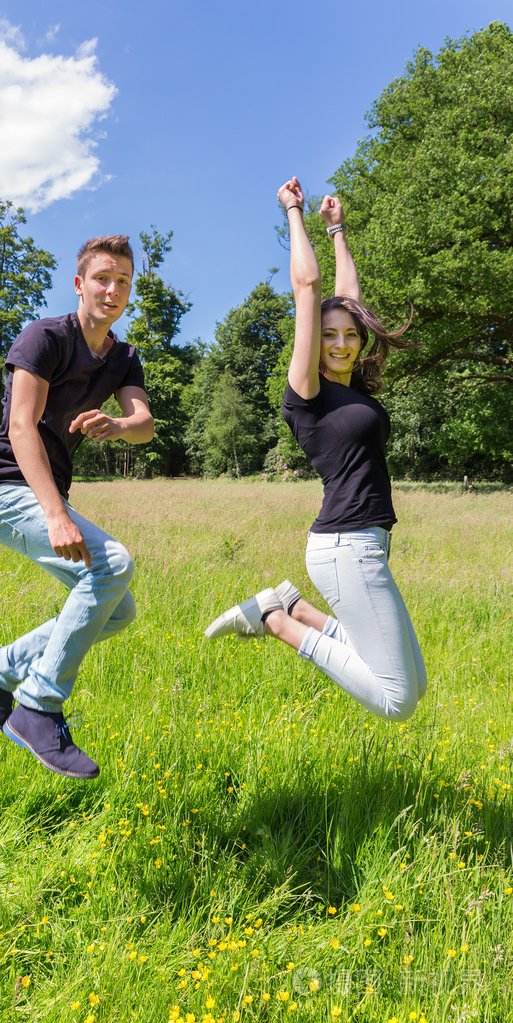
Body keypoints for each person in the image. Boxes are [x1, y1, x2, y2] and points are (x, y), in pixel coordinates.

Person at [205, 177, 427, 722]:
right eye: (329, 335)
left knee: (413, 685)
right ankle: (278, 622)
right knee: (396, 701)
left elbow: (346, 300)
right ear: (313, 343)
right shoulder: (306, 392)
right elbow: (310, 290)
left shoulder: (352, 391)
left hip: (364, 542)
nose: (342, 342)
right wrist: (295, 213)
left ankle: (292, 604)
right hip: (344, 545)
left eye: (350, 334)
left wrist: (338, 230)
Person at [0, 235, 154, 779]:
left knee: (117, 609)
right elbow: (21, 426)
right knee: (113, 564)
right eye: (102, 278)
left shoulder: (123, 357)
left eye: (123, 281)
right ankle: (39, 706)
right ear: (80, 284)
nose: (113, 289)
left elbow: (144, 426)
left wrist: (118, 425)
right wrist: (54, 513)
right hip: (1, 491)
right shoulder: (44, 337)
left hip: (39, 495)